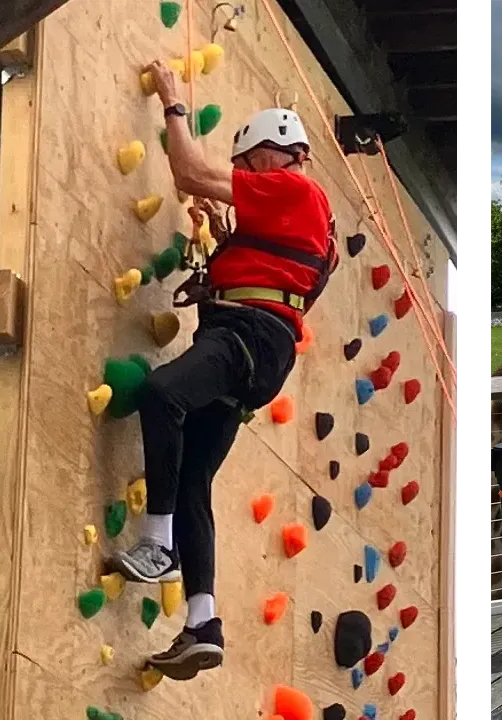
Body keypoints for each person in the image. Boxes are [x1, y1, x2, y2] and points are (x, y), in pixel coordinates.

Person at [105, 59, 338, 681]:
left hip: (246, 336)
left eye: (247, 164)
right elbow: (269, 268)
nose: (242, 176)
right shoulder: (306, 218)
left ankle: (159, 545)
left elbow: (189, 172)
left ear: (274, 154)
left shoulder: (295, 187)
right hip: (258, 349)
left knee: (161, 393)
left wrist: (173, 101)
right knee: (193, 483)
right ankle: (202, 623)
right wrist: (221, 240)